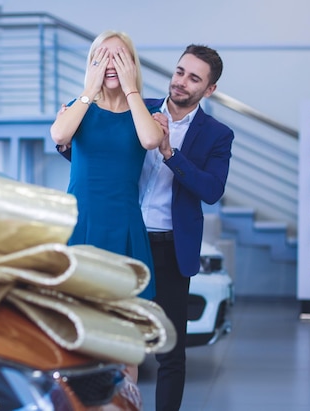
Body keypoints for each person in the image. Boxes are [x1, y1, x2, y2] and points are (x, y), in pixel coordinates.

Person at [139, 44, 234, 411]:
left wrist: (169, 153)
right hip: (126, 239)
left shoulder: (217, 134)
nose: (181, 82)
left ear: (208, 90)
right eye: (180, 71)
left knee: (170, 351)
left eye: (194, 77)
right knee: (114, 341)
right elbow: (87, 149)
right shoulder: (139, 110)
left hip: (170, 248)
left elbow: (211, 190)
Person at [50, 30, 164, 302]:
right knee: (77, 308)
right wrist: (89, 90)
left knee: (125, 311)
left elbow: (150, 140)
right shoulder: (80, 107)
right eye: (103, 58)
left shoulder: (145, 115)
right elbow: (59, 135)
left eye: (119, 58)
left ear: (132, 64)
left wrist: (131, 88)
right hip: (82, 220)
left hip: (124, 223)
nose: (111, 65)